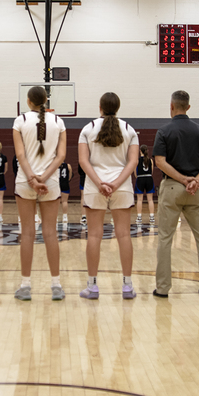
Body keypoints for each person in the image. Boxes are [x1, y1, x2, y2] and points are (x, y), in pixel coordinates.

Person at [152, 90, 199, 298]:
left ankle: (162, 288)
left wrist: (181, 179)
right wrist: (197, 180)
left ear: (171, 106)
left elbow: (160, 161)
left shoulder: (164, 131)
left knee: (165, 238)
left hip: (172, 187)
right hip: (196, 190)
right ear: (188, 107)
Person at [78, 92, 140, 300]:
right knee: (123, 235)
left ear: (100, 107)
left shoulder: (87, 129)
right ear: (118, 107)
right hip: (121, 187)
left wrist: (100, 183)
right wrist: (115, 183)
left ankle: (92, 286)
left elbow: (83, 161)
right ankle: (127, 286)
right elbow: (132, 163)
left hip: (95, 187)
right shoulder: (130, 129)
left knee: (94, 235)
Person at [12, 85, 67, 301]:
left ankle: (25, 286)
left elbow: (20, 154)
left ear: (28, 101)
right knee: (50, 234)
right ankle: (56, 286)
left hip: (25, 182)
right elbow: (61, 156)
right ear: (46, 100)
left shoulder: (20, 121)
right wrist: (43, 178)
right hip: (50, 182)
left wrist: (32, 179)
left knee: (27, 233)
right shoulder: (59, 122)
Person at [134, 145, 156, 226]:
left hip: (140, 178)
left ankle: (139, 217)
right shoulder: (150, 160)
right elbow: (152, 172)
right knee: (150, 199)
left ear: (140, 151)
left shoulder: (137, 160)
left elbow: (135, 172)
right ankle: (152, 217)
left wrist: (138, 177)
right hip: (149, 178)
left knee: (139, 199)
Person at [57, 161, 73, 226]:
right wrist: (67, 180)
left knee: (56, 201)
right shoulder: (68, 165)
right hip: (65, 184)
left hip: (57, 184)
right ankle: (65, 216)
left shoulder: (55, 165)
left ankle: (56, 217)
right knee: (64, 201)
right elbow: (70, 176)